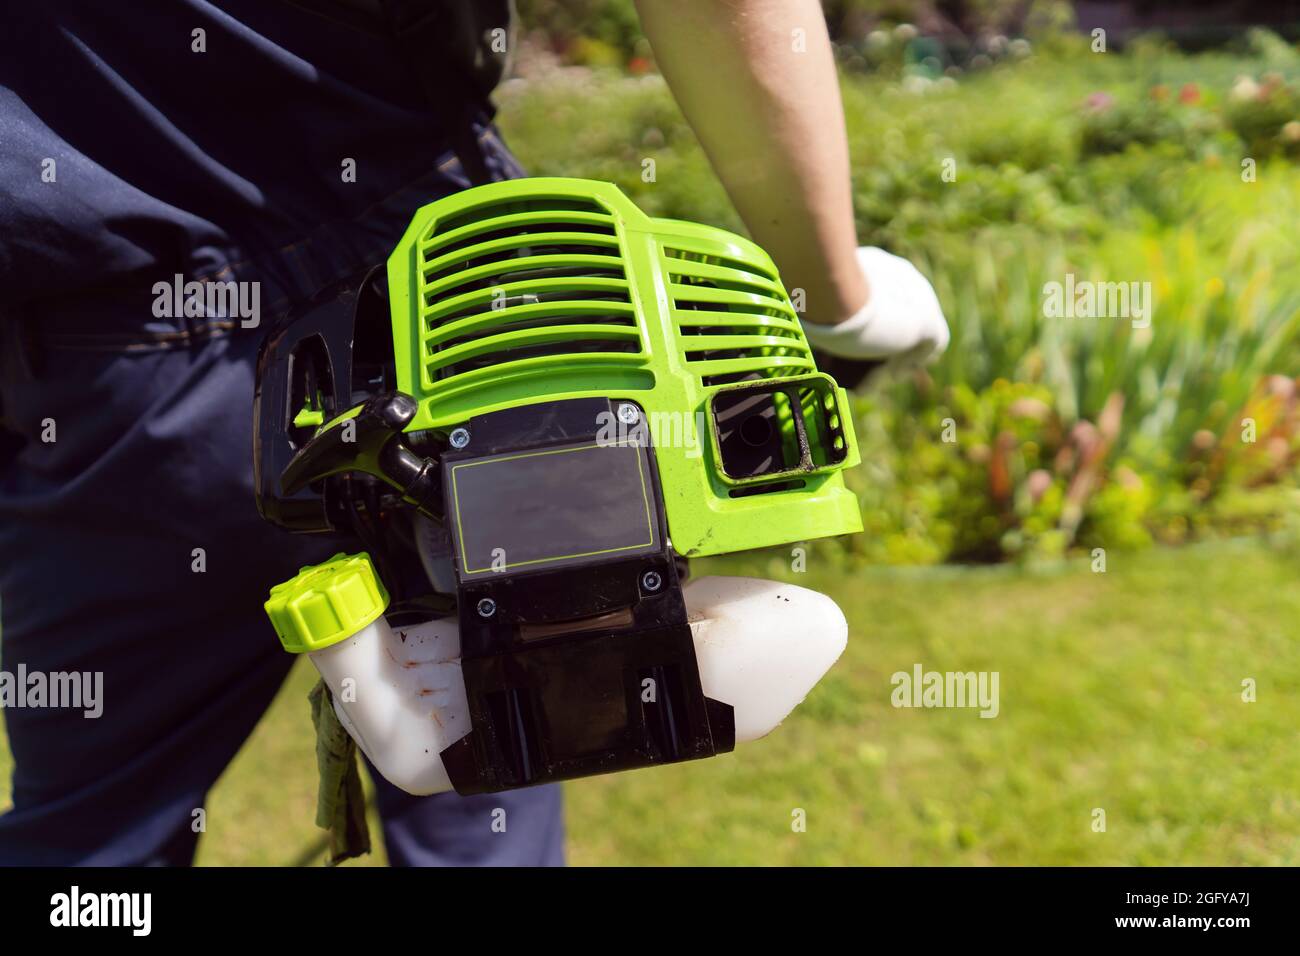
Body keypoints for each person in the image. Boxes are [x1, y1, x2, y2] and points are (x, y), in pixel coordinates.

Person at [0, 0, 947, 866]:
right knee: (492, 781)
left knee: (90, 840)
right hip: (463, 315)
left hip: (107, 372)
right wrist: (835, 300)